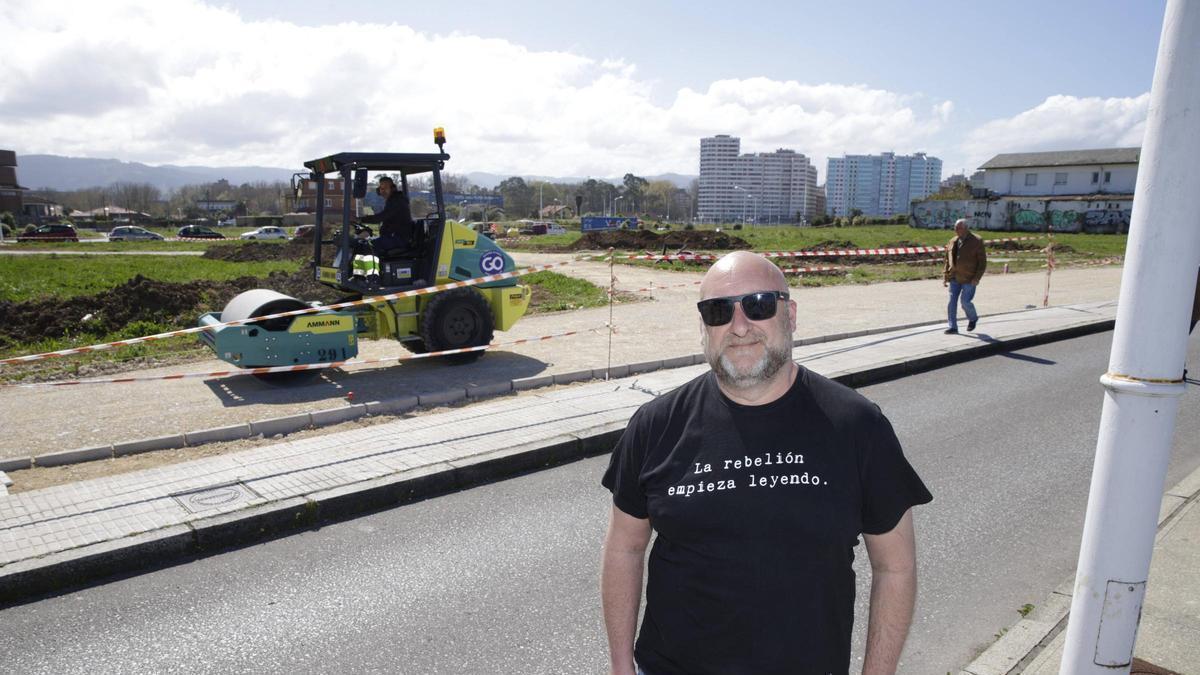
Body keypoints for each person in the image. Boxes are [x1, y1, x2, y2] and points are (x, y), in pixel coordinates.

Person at [600, 251, 933, 675]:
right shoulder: (655, 425)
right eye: (718, 311)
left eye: (759, 305)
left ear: (790, 314)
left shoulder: (857, 425)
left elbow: (895, 566)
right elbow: (624, 548)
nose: (739, 327)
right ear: (703, 326)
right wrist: (619, 665)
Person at [943, 218, 987, 334]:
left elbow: (982, 262)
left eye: (959, 228)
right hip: (954, 277)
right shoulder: (952, 241)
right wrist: (946, 275)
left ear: (966, 228)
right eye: (955, 227)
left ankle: (973, 319)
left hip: (969, 278)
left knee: (965, 302)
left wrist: (977, 278)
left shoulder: (976, 241)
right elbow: (947, 259)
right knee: (952, 302)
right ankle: (953, 327)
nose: (956, 230)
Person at [359, 176, 416, 258]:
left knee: (369, 246)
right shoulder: (392, 200)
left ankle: (373, 270)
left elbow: (382, 217)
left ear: (392, 189)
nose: (383, 191)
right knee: (367, 242)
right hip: (393, 236)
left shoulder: (397, 201)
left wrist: (362, 219)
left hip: (399, 238)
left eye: (385, 188)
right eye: (381, 188)